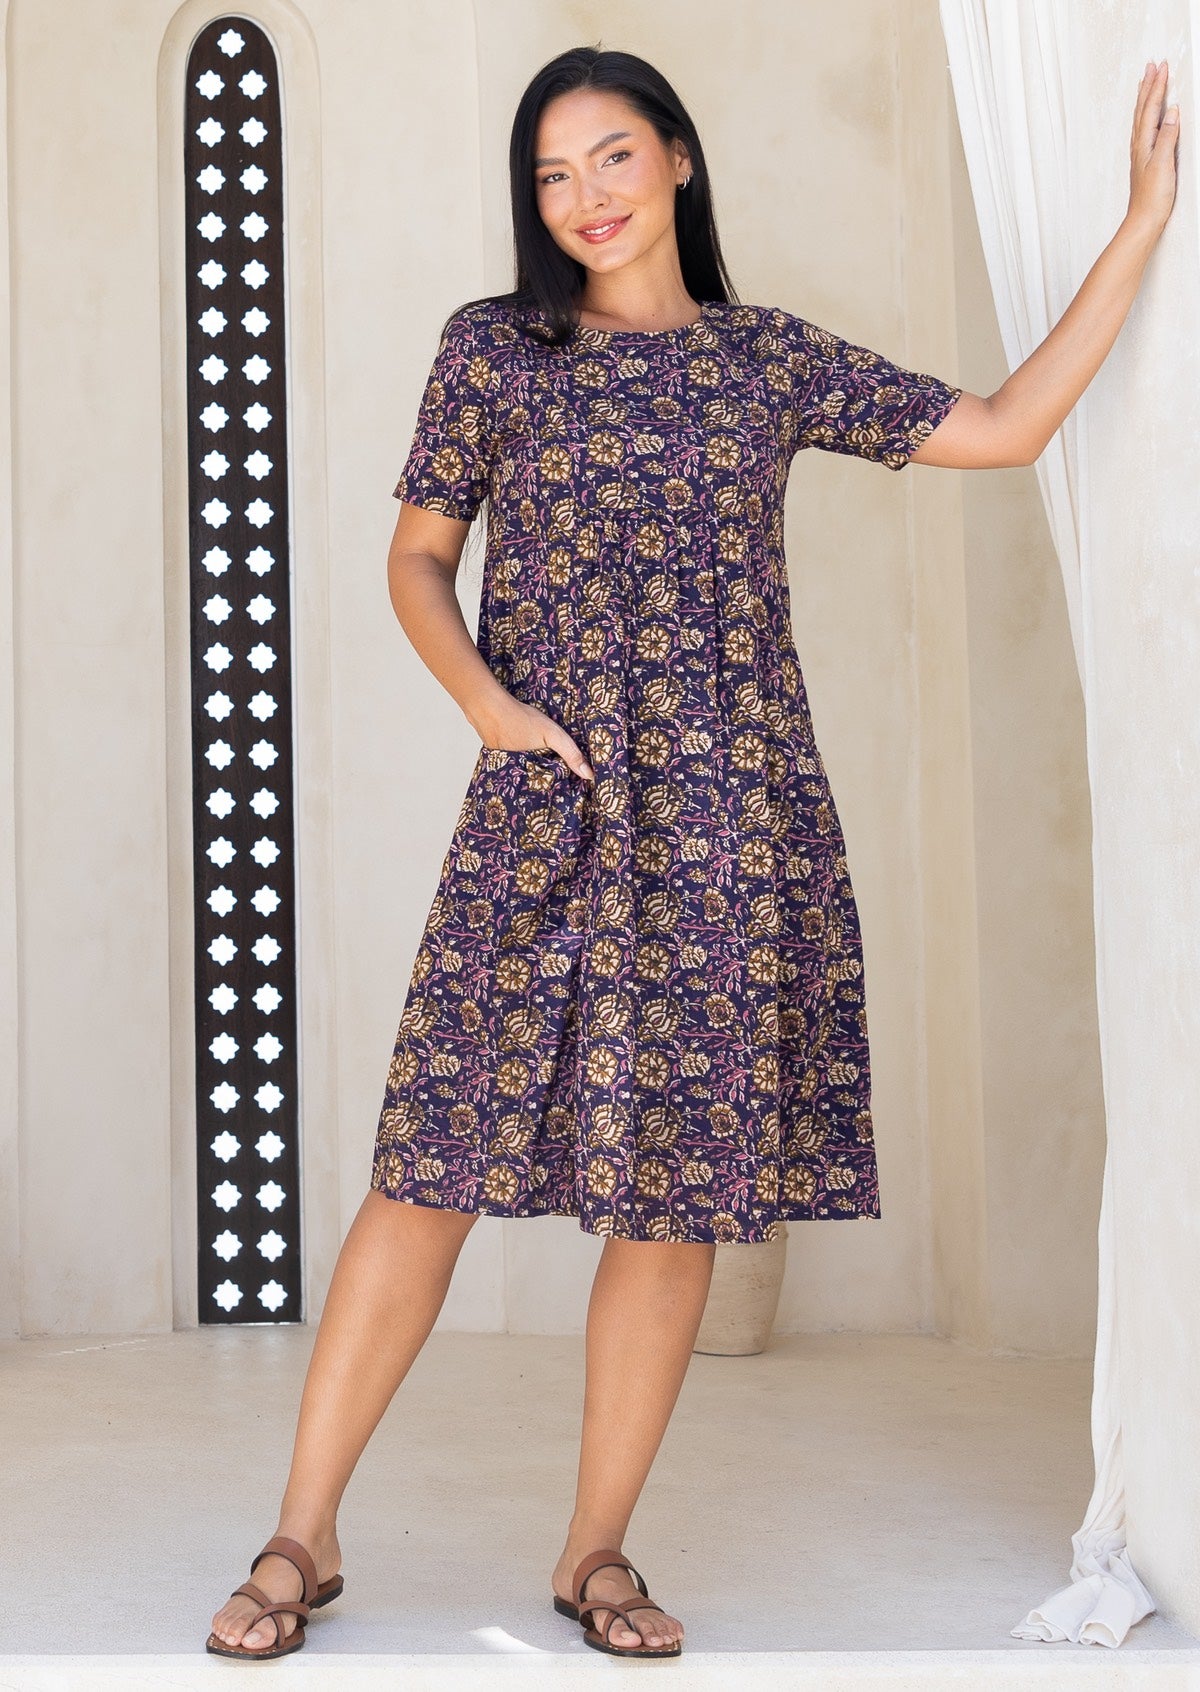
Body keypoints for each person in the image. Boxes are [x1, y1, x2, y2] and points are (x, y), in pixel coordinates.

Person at [207, 44, 1179, 1664]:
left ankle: (597, 1552)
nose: (582, 198)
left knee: (671, 1198)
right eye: (551, 175)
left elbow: (1007, 427)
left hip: (732, 820)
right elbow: (417, 561)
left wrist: (1144, 224)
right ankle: (299, 1536)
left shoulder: (764, 361)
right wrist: (492, 710)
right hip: (549, 799)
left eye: (609, 159)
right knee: (426, 1169)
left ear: (676, 162)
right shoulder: (495, 352)